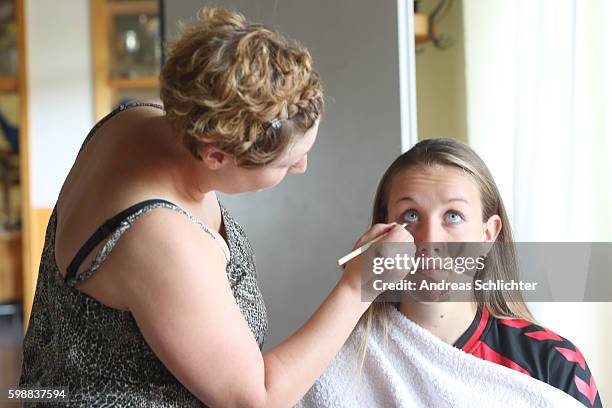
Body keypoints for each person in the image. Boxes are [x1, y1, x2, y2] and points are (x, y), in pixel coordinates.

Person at [18, 8, 410, 407]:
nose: (301, 167)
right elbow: (255, 399)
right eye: (286, 162)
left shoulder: (147, 119)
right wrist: (360, 284)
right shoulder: (159, 239)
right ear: (216, 155)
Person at [299, 138, 602, 408]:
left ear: (488, 233)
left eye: (453, 216)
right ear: (383, 231)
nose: (429, 239)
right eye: (411, 215)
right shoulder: (331, 360)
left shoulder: (554, 363)